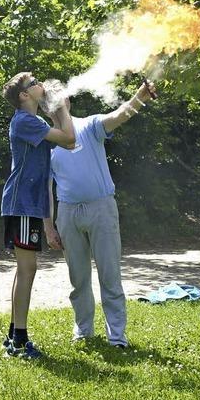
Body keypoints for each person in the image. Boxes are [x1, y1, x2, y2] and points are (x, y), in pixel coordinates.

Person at [45, 81, 156, 348]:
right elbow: (45, 190)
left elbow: (120, 115)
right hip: (68, 214)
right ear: (45, 109)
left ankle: (116, 336)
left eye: (60, 99)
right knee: (78, 278)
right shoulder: (45, 141)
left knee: (110, 274)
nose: (57, 105)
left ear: (68, 101)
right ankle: (83, 331)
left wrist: (140, 95)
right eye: (50, 101)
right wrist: (49, 226)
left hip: (101, 208)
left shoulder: (90, 126)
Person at [0, 72, 75, 359]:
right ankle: (19, 339)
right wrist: (63, 110)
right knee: (28, 269)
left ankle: (14, 335)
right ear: (24, 95)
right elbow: (69, 136)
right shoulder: (25, 121)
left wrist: (57, 110)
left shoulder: (34, 122)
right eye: (33, 83)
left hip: (29, 204)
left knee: (25, 269)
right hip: (22, 203)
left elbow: (67, 141)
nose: (38, 84)